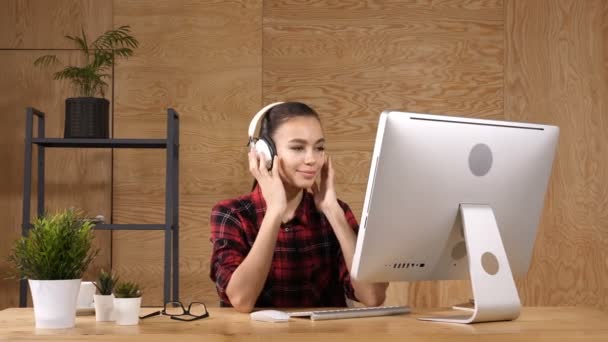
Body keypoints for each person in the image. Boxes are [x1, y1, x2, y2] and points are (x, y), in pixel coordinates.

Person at [209, 102, 388, 313]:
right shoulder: (232, 214)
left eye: (319, 148)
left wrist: (332, 211)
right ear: (264, 152)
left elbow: (372, 296)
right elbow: (241, 299)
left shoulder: (335, 212)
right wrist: (274, 212)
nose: (312, 159)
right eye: (297, 148)